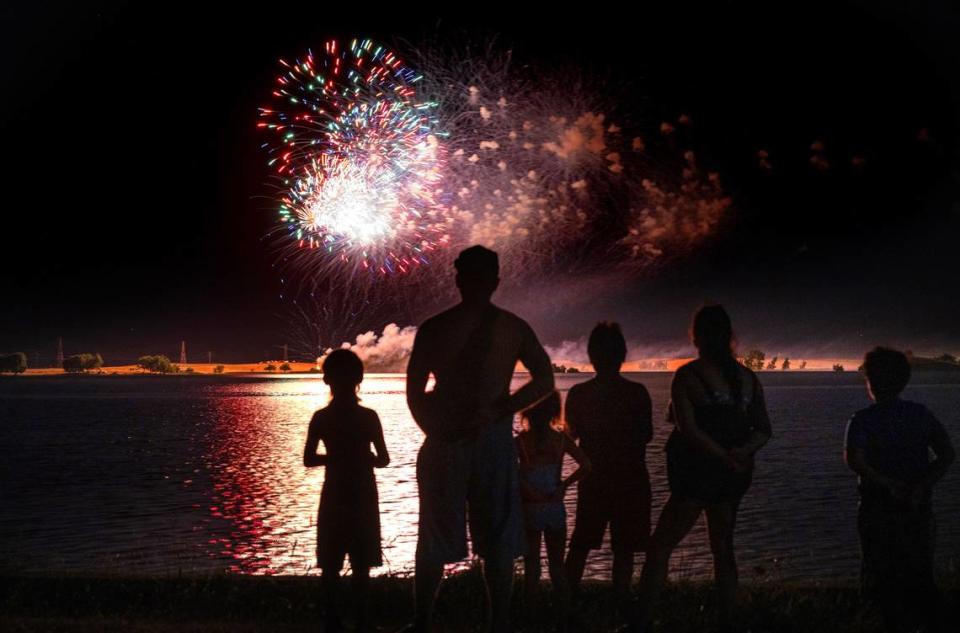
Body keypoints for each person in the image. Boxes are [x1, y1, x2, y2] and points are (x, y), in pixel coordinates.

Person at [406, 245, 555, 633]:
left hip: (451, 442)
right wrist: (502, 409)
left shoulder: (436, 328)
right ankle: (497, 623)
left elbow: (415, 394)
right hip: (486, 442)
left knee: (438, 535)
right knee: (496, 537)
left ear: (459, 278)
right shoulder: (513, 327)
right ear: (495, 282)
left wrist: (438, 432)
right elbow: (545, 379)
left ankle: (424, 623)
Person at [635, 305, 771, 631]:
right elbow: (764, 430)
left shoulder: (688, 376)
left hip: (697, 476)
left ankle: (641, 622)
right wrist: (739, 454)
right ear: (730, 336)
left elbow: (688, 430)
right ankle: (729, 619)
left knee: (660, 547)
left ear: (695, 336)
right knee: (723, 546)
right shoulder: (748, 379)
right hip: (733, 478)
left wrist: (722, 456)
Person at [844, 346, 955, 633]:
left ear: (870, 382)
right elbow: (946, 454)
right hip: (917, 508)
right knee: (920, 571)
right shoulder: (920, 414)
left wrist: (887, 484)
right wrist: (921, 485)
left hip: (877, 509)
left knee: (878, 574)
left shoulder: (862, 420)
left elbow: (854, 460)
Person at [564, 322, 652, 617]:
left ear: (591, 356)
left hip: (594, 480)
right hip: (631, 480)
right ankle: (621, 605)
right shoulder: (637, 393)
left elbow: (570, 437)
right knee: (624, 549)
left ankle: (565, 603)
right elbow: (646, 435)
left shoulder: (578, 394)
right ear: (622, 355)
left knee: (580, 543)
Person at [303, 349, 390, 633]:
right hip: (363, 494)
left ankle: (332, 621)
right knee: (362, 564)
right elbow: (384, 459)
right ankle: (363, 621)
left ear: (326, 379)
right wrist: (361, 457)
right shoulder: (369, 416)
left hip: (334, 493)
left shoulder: (321, 417)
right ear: (359, 379)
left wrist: (335, 457)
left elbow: (309, 459)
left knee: (331, 563)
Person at [516, 391, 591, 623]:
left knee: (532, 567)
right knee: (557, 567)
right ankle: (563, 617)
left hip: (530, 508)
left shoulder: (520, 441)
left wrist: (525, 487)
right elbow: (586, 465)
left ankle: (531, 617)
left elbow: (510, 473)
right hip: (554, 507)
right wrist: (565, 485)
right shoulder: (560, 440)